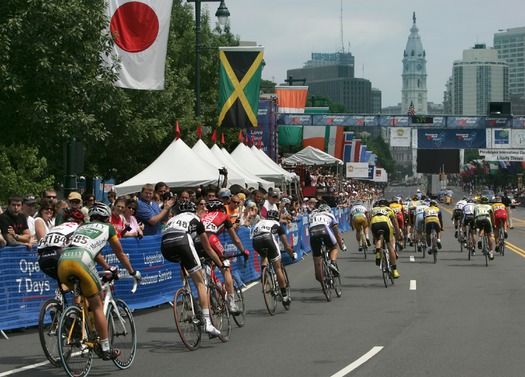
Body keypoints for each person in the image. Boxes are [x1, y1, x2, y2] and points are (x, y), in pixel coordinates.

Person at [57, 202, 141, 361]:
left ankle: (73, 321)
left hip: (63, 262)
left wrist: (107, 267)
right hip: (81, 261)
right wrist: (132, 272)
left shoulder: (82, 227)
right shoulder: (108, 227)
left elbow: (93, 252)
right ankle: (105, 348)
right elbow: (120, 253)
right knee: (97, 304)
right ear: (107, 217)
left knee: (81, 294)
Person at [161, 200, 225, 336]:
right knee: (200, 282)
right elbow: (207, 247)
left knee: (183, 261)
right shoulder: (196, 219)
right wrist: (220, 264)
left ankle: (185, 289)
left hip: (165, 246)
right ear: (193, 211)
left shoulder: (172, 219)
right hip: (182, 241)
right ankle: (207, 322)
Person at [195, 199, 249, 313]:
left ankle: (211, 285)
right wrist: (243, 251)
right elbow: (235, 239)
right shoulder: (224, 216)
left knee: (206, 266)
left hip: (195, 240)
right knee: (225, 268)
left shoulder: (203, 215)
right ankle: (231, 303)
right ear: (221, 209)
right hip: (210, 239)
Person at [252, 209, 297, 306]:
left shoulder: (260, 222)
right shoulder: (277, 225)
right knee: (277, 268)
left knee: (264, 254)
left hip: (256, 241)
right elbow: (287, 246)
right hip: (268, 238)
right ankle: (284, 296)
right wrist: (292, 255)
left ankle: (264, 271)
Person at [37, 207, 85, 282]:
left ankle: (61, 290)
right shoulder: (78, 227)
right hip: (58, 255)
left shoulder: (56, 227)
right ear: (80, 222)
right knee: (83, 280)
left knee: (65, 282)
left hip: (42, 259)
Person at [309, 203, 346, 283]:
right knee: (334, 247)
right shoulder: (330, 215)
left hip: (312, 232)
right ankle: (332, 262)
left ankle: (321, 278)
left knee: (316, 259)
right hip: (324, 229)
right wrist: (341, 245)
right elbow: (337, 234)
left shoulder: (312, 216)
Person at [369, 198, 402, 278]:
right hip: (385, 224)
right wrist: (398, 234)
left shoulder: (373, 210)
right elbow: (395, 224)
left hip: (374, 224)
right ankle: (394, 270)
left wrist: (374, 238)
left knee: (378, 239)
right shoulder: (389, 209)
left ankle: (377, 252)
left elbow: (370, 222)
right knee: (390, 246)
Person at [474, 196, 495, 260]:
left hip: (478, 219)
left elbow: (474, 216)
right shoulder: (489, 206)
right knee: (489, 236)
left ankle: (480, 239)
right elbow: (492, 217)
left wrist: (474, 225)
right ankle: (491, 252)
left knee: (481, 229)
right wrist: (493, 225)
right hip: (486, 219)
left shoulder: (476, 206)